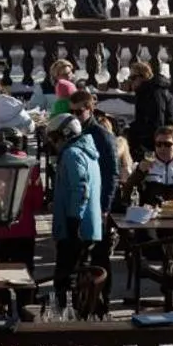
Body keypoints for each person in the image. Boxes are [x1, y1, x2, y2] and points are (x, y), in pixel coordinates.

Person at [50, 114, 102, 305]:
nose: (53, 144)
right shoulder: (89, 152)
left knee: (66, 280)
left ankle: (66, 319)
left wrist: (73, 221)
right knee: (82, 276)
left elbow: (80, 188)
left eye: (53, 138)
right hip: (90, 226)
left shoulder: (72, 154)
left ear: (63, 135)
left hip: (76, 228)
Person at [68, 91, 118, 271]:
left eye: (78, 112)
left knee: (99, 255)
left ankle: (101, 295)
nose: (74, 116)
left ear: (90, 109)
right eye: (71, 112)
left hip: (95, 202)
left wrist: (105, 207)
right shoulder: (72, 132)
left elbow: (112, 173)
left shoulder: (102, 135)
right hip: (77, 200)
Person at [127, 58, 173, 157]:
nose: (130, 81)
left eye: (133, 78)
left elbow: (157, 122)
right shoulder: (146, 92)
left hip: (158, 143)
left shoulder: (154, 93)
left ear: (143, 77)